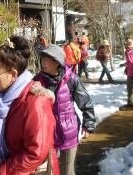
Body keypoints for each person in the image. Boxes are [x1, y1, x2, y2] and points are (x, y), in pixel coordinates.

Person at [0, 36, 59, 175]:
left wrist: (2, 170)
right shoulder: (5, 100)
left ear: (13, 74)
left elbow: (35, 154)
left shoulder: (35, 103)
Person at [34, 44, 96, 175]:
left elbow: (85, 101)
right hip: (46, 133)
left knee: (67, 171)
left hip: (68, 131)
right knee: (47, 170)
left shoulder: (71, 79)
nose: (43, 62)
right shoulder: (37, 81)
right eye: (42, 59)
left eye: (47, 59)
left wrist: (88, 123)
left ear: (57, 62)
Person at [120, 39, 133, 109]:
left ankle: (130, 102)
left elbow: (131, 63)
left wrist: (125, 65)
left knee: (129, 88)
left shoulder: (128, 52)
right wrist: (124, 64)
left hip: (131, 72)